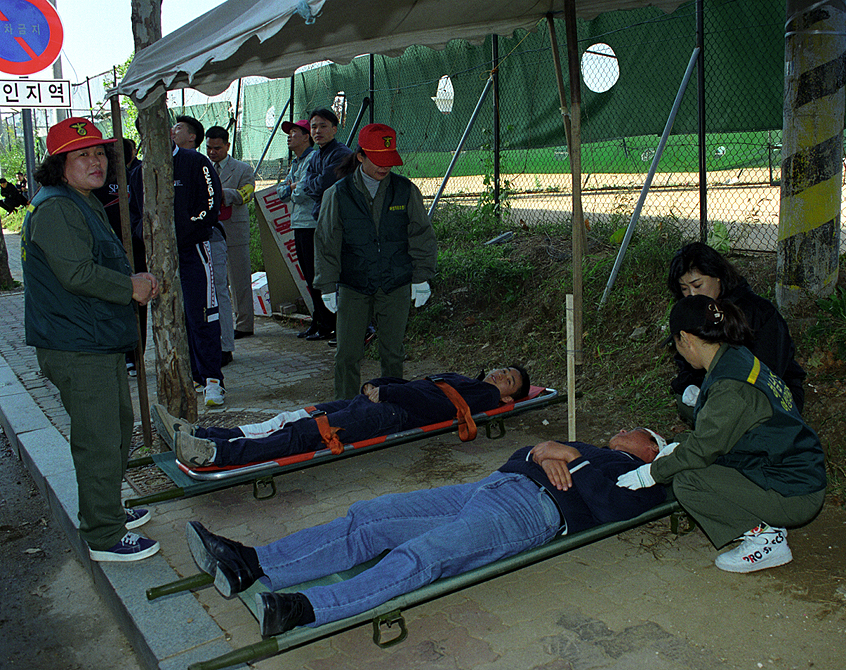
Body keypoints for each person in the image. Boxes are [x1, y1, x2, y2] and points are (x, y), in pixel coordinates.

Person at [186, 427, 668, 636]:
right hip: (490, 485)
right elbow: (520, 455)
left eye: (641, 432)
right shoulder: (589, 447)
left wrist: (572, 459)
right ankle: (252, 562)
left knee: (423, 555)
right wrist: (542, 449)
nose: (627, 430)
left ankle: (305, 609)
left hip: (531, 514)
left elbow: (618, 509)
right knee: (371, 516)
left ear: (653, 450)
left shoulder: (643, 474)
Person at [21, 117, 161, 561]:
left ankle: (109, 508)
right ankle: (103, 534)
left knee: (118, 430)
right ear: (59, 164)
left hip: (91, 338)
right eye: (82, 155)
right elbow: (76, 273)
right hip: (75, 344)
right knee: (100, 439)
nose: (95, 161)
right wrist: (131, 287)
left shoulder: (79, 200)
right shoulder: (59, 208)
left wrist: (130, 277)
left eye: (100, 152)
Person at [619, 295, 826, 573]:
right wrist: (677, 446)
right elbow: (719, 432)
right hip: (788, 471)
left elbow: (703, 450)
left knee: (688, 481)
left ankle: (765, 539)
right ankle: (764, 523)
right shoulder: (734, 355)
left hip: (794, 493)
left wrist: (651, 473)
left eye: (676, 345)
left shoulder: (730, 386)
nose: (678, 352)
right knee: (687, 456)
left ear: (686, 338)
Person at [160, 365, 530, 467]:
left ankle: (215, 453)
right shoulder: (467, 381)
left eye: (509, 379)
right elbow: (421, 386)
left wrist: (386, 391)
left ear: (511, 395)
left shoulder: (482, 396)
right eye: (501, 369)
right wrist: (380, 384)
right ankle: (203, 434)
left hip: (392, 414)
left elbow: (435, 406)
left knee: (306, 433)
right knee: (296, 419)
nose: (500, 375)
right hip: (386, 401)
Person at [315, 123, 437, 400]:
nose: (385, 168)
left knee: (393, 352)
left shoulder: (405, 190)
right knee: (347, 354)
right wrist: (327, 283)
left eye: (389, 161)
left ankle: (391, 405)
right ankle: (346, 409)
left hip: (395, 283)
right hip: (354, 284)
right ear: (360, 156)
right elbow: (326, 241)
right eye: (378, 161)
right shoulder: (338, 193)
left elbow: (421, 234)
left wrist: (421, 276)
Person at [667, 242, 806, 420]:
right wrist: (692, 386)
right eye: (685, 289)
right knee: (687, 402)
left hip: (767, 392)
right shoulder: (691, 315)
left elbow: (769, 370)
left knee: (731, 421)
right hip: (718, 390)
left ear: (718, 276)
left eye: (698, 285)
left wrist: (723, 395)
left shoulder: (758, 312)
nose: (692, 295)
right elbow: (687, 364)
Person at [170, 115, 227, 404]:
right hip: (162, 257)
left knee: (204, 312)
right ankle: (192, 375)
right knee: (176, 317)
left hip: (194, 250)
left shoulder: (196, 161)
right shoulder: (143, 170)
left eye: (176, 127)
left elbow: (211, 202)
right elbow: (135, 213)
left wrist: (186, 228)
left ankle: (213, 380)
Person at [297, 108, 354, 342]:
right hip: (320, 220)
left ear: (334, 128)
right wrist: (313, 184)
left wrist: (312, 184)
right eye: (313, 127)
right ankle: (326, 324)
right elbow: (308, 184)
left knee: (338, 277)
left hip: (338, 223)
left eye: (322, 126)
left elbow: (323, 184)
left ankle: (348, 329)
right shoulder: (317, 155)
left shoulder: (341, 153)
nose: (317, 131)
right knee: (318, 276)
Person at [92, 138, 147, 377]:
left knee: (133, 300)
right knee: (125, 300)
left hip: (131, 248)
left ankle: (134, 356)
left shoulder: (137, 175)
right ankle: (131, 356)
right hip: (116, 251)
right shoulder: (99, 182)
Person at [275, 120, 331, 341]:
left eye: (294, 132)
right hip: (298, 223)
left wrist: (293, 189)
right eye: (288, 133)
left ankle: (327, 323)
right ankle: (318, 321)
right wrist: (292, 187)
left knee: (317, 276)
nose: (289, 136)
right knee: (309, 276)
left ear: (306, 136)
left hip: (312, 223)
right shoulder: (296, 163)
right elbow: (282, 192)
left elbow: (303, 192)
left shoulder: (312, 159)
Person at [205, 125, 256, 348]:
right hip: (211, 230)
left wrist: (223, 193)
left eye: (217, 148)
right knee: (217, 282)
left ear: (227, 146)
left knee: (240, 279)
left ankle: (244, 324)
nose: (212, 152)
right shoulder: (203, 167)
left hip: (235, 229)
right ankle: (222, 324)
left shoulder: (243, 169)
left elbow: (248, 193)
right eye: (208, 148)